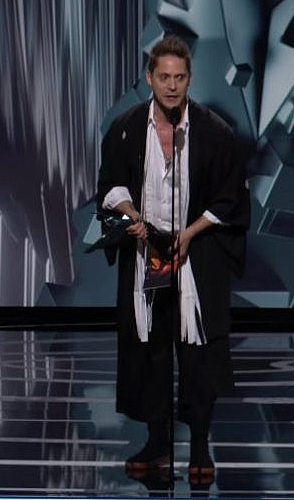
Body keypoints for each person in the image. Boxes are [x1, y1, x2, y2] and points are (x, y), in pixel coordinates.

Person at [96, 35, 249, 480]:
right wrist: (133, 217)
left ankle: (200, 447)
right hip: (149, 255)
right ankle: (158, 441)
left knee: (198, 351)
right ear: (149, 78)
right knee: (152, 350)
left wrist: (192, 234)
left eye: (179, 78)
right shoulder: (125, 128)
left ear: (189, 79)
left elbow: (229, 198)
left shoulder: (215, 132)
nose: (171, 86)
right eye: (163, 77)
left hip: (196, 257)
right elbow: (110, 185)